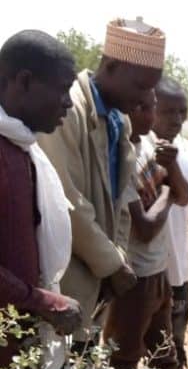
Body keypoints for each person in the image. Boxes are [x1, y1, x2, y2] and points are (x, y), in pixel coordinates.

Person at [37, 18, 166, 334]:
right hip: (63, 284)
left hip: (100, 286)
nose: (144, 98)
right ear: (111, 66)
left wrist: (117, 261)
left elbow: (123, 203)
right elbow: (68, 200)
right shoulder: (67, 110)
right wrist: (111, 264)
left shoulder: (120, 122)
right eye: (140, 86)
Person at [103, 94, 188, 369]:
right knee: (122, 368)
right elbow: (145, 227)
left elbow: (181, 196)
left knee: (165, 360)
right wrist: (164, 190)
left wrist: (170, 176)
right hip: (132, 280)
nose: (152, 115)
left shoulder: (150, 147)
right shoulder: (120, 157)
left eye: (152, 106)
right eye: (143, 106)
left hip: (159, 275)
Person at [0, 31, 82, 369]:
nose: (68, 102)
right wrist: (40, 300)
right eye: (62, 89)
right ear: (24, 81)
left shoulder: (23, 148)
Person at [152, 78, 188, 369]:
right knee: (124, 354)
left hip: (175, 272)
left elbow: (187, 200)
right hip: (138, 270)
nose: (176, 119)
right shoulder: (132, 145)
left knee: (172, 353)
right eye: (167, 111)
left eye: (182, 112)